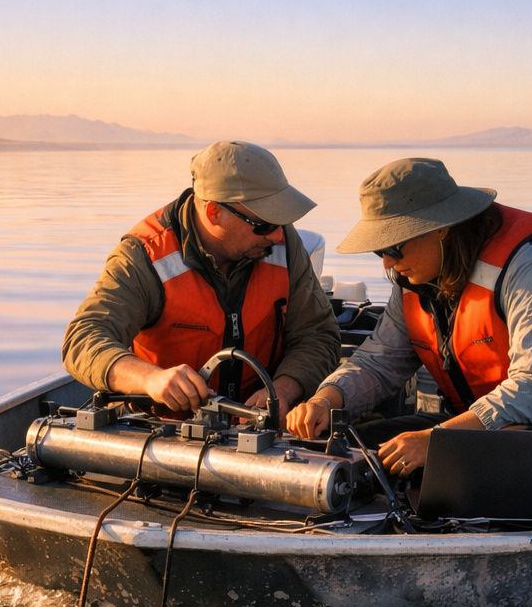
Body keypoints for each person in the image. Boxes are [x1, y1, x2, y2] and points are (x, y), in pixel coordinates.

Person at [286, 158, 532, 490]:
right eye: (379, 250)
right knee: (350, 446)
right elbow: (379, 362)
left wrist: (437, 439)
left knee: (464, 463)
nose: (387, 263)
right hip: (491, 427)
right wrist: (327, 399)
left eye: (394, 247)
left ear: (441, 229)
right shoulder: (414, 280)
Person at [62, 140, 341, 418]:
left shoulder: (284, 242)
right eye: (264, 224)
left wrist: (283, 390)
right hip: (157, 431)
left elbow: (317, 335)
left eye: (281, 220)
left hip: (262, 429)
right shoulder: (144, 255)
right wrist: (151, 379)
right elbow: (83, 338)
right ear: (213, 212)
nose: (277, 235)